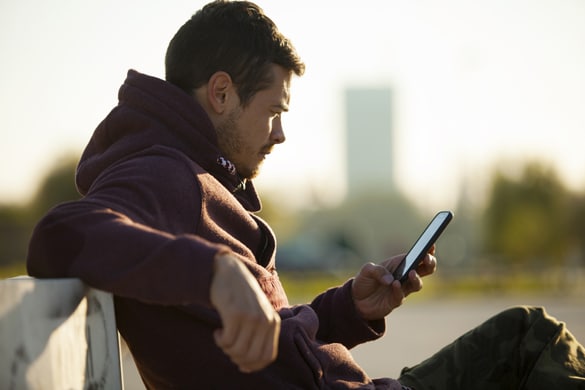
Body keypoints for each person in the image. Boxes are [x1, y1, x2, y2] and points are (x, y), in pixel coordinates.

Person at [26, 1, 585, 389]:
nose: (280, 133)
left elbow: (273, 351)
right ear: (221, 93)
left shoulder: (193, 178)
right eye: (272, 112)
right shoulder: (159, 175)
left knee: (526, 333)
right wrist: (218, 272)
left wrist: (346, 309)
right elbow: (60, 235)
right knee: (529, 337)